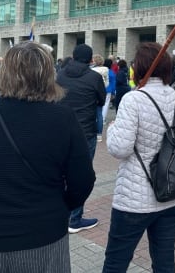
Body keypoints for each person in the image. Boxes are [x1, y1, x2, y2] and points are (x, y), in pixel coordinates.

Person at [0, 41, 95, 272]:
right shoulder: (61, 118)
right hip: (42, 231)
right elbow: (83, 180)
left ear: (4, 73)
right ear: (48, 76)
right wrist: (58, 205)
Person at [103, 41, 175, 272]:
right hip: (171, 193)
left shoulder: (133, 99)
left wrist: (112, 128)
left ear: (139, 68)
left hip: (134, 199)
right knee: (164, 260)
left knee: (116, 261)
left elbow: (120, 148)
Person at [56, 43, 105, 233]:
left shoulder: (60, 75)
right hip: (85, 132)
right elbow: (101, 100)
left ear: (73, 56)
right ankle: (74, 219)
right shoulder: (94, 77)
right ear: (90, 59)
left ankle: (61, 212)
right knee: (81, 175)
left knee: (60, 173)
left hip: (61, 131)